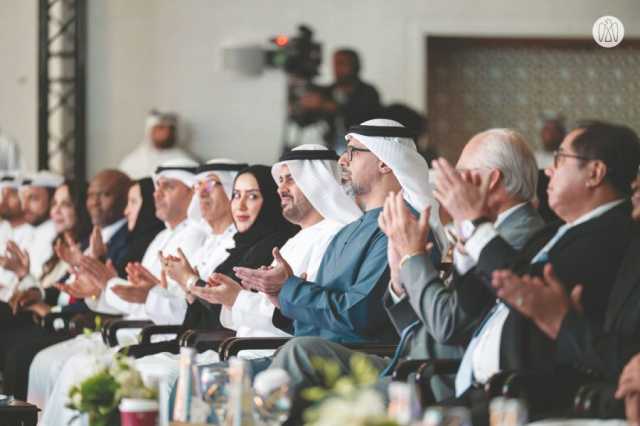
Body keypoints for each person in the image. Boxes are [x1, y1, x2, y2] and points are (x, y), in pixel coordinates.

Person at [269, 129, 546, 405]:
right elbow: (419, 324)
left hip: (440, 378)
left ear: (492, 179)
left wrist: (413, 258)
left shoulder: (515, 238)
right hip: (412, 362)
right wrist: (399, 282)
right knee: (287, 359)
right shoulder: (488, 233)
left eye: (461, 173)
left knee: (296, 357)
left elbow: (444, 323)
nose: (454, 184)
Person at [433, 121, 640, 417]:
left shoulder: (613, 235)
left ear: (595, 173)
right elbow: (475, 303)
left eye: (560, 159)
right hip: (482, 392)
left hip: (525, 395)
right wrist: (468, 242)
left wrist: (476, 225)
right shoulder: (552, 232)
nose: (548, 171)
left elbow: (528, 293)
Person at [30, 160, 207, 421]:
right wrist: (98, 291)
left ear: (191, 192)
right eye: (157, 188)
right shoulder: (162, 237)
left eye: (167, 187)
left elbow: (177, 307)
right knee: (47, 362)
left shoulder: (194, 237)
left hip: (153, 335)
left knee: (76, 367)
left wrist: (111, 286)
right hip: (136, 329)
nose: (157, 194)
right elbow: (135, 297)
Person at [0, 180, 92, 400]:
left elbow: (70, 299)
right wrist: (26, 280)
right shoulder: (60, 247)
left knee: (16, 352)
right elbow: (49, 291)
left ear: (80, 209)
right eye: (55, 205)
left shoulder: (86, 248)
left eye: (66, 205)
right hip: (41, 316)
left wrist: (39, 304)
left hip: (58, 323)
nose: (56, 211)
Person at [298, 49, 381, 152]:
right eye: (335, 64)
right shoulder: (327, 92)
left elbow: (365, 119)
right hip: (331, 150)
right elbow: (304, 122)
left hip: (363, 150)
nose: (337, 68)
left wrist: (330, 106)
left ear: (355, 66)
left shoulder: (368, 92)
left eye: (341, 63)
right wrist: (304, 106)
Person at [119, 110, 195, 179]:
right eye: (161, 128)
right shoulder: (131, 162)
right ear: (150, 131)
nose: (166, 133)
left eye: (170, 129)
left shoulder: (186, 161)